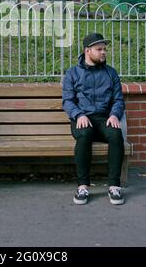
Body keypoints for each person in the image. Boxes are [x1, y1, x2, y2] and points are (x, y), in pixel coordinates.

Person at [62, 32, 125, 205]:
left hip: (104, 118)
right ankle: (83, 187)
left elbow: (118, 99)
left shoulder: (111, 73)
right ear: (87, 51)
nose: (103, 52)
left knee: (115, 134)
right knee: (84, 135)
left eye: (104, 49)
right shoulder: (73, 73)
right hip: (83, 118)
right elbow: (67, 101)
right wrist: (78, 114)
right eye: (99, 49)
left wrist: (114, 114)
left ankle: (114, 187)